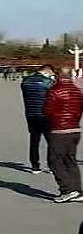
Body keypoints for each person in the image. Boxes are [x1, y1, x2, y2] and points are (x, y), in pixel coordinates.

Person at [42, 68, 82, 202]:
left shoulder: (55, 90)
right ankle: (77, 189)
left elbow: (47, 110)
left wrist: (52, 121)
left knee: (54, 160)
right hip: (74, 129)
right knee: (70, 160)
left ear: (58, 76)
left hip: (59, 130)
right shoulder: (77, 91)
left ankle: (67, 189)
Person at [21, 67, 54, 174]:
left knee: (34, 141)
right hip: (45, 115)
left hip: (30, 114)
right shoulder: (48, 82)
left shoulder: (26, 81)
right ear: (48, 72)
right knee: (51, 141)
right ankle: (51, 165)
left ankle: (35, 166)